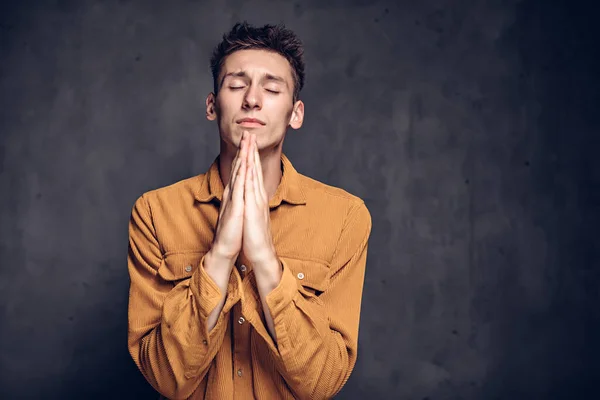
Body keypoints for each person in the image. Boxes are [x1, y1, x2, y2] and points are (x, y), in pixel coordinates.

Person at [127, 21, 372, 400]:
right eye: (236, 85)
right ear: (212, 105)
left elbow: (323, 383)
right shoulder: (155, 212)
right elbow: (166, 377)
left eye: (272, 89)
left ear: (296, 113)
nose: (252, 100)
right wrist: (220, 255)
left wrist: (264, 260)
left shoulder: (345, 218)